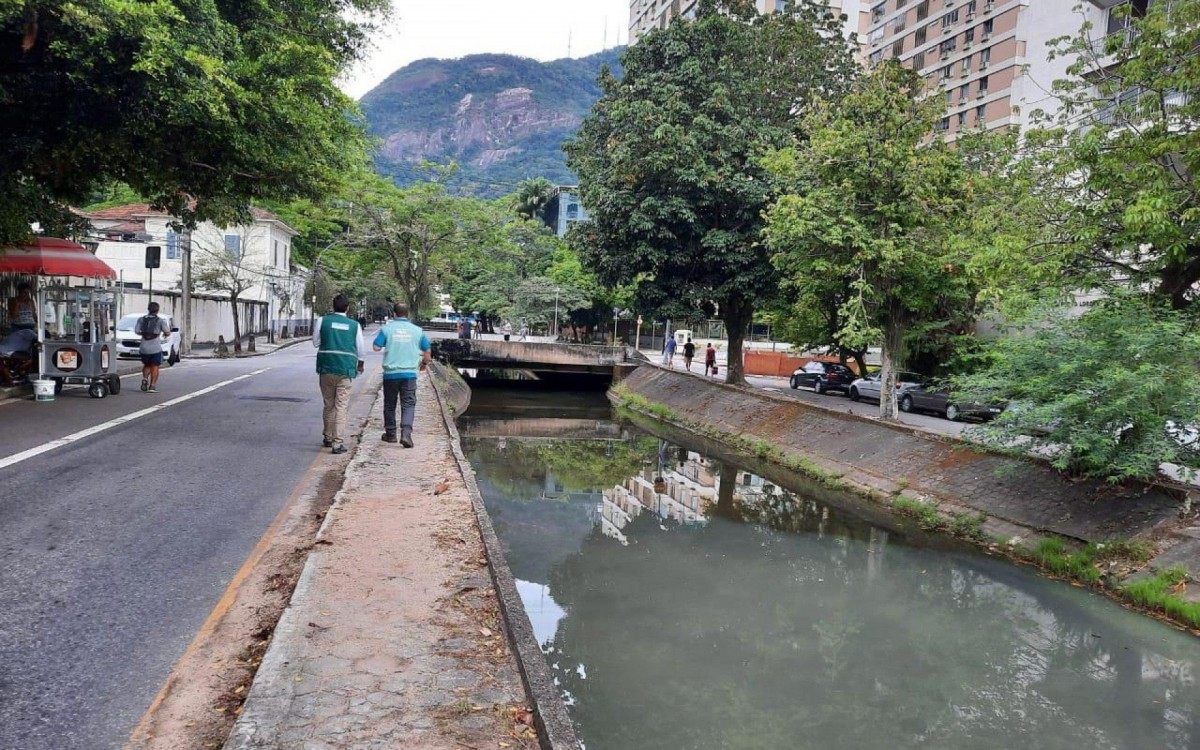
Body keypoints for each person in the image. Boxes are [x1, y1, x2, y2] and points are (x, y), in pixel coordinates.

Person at [313, 294, 367, 454]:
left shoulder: (322, 320)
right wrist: (361, 364)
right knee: (341, 406)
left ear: (332, 306)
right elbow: (361, 349)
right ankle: (337, 443)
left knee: (328, 404)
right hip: (345, 370)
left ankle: (327, 437)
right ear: (348, 308)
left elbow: (315, 342)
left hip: (325, 368)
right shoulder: (354, 325)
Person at [373, 302, 431, 448]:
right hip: (409, 374)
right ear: (407, 313)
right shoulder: (417, 330)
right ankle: (406, 434)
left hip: (390, 374)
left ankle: (391, 434)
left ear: (394, 313)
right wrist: (423, 364)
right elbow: (427, 352)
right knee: (408, 404)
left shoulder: (386, 329)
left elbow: (376, 347)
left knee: (389, 404)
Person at [135, 302, 171, 393]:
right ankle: (152, 386)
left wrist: (145, 334)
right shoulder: (160, 321)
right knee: (155, 366)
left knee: (147, 365)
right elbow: (167, 331)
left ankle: (145, 378)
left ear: (148, 309)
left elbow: (136, 331)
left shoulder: (141, 319)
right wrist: (165, 334)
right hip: (155, 348)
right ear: (157, 310)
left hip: (143, 347)